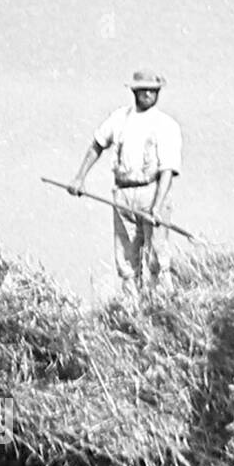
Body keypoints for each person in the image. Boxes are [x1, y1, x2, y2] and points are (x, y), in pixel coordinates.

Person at [67, 68, 183, 297]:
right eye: (143, 90)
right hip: (123, 193)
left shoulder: (166, 125)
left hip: (153, 191)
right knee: (126, 258)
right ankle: (132, 307)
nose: (148, 94)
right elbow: (97, 145)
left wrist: (157, 207)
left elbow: (168, 169)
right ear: (134, 91)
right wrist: (79, 178)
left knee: (157, 256)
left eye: (153, 90)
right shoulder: (119, 118)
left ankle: (164, 304)